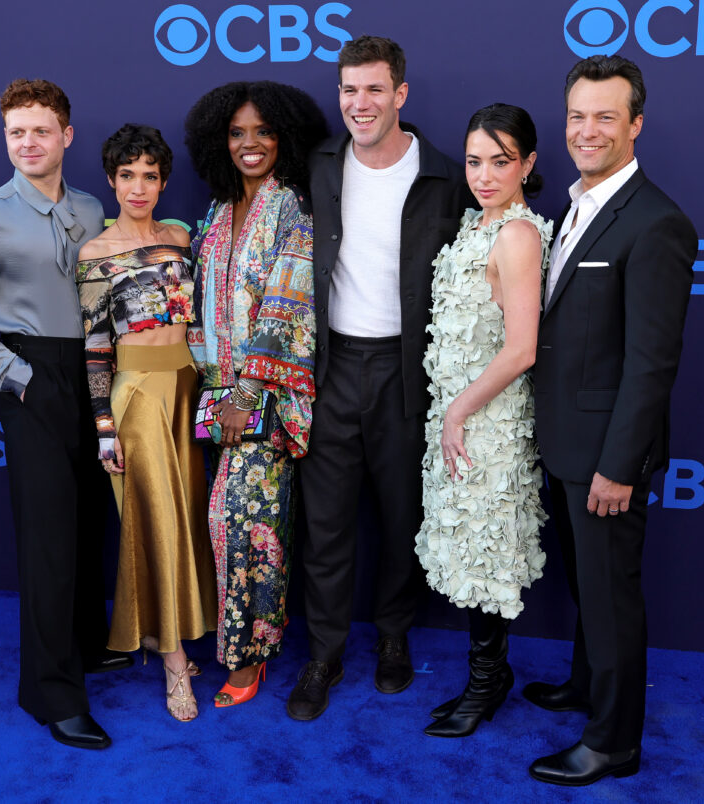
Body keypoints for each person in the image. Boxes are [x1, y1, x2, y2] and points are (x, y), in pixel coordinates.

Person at [0, 78, 130, 750]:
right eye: (16, 132)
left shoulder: (91, 206)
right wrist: (16, 376)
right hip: (31, 376)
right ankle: (50, 692)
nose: (28, 143)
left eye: (40, 130)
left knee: (85, 521)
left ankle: (81, 648)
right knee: (48, 537)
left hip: (92, 375)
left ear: (66, 136)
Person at [288, 35, 472, 722]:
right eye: (348, 90)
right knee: (326, 525)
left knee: (402, 518)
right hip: (332, 366)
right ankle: (324, 654)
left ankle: (393, 636)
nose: (358, 104)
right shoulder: (318, 166)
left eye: (373, 90)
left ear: (400, 94)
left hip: (406, 371)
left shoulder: (445, 177)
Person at [526, 55, 698, 785]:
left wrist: (618, 465)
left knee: (612, 593)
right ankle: (587, 686)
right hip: (564, 442)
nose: (587, 130)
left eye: (605, 116)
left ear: (636, 124)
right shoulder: (577, 206)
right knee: (587, 585)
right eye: (576, 116)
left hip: (605, 455)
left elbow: (651, 363)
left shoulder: (657, 223)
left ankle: (614, 743)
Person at [184, 81, 327, 707]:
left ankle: (250, 654)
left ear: (285, 139)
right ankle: (250, 633)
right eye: (238, 133)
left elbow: (286, 307)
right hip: (216, 396)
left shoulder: (293, 208)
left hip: (265, 396)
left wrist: (245, 392)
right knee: (235, 522)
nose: (250, 144)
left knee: (242, 520)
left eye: (263, 132)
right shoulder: (215, 211)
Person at [417, 104, 551, 739]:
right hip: (460, 416)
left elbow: (522, 348)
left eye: (501, 161)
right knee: (469, 546)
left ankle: (486, 680)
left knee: (486, 550)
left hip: (488, 423)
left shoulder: (518, 236)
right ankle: (487, 675)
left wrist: (459, 412)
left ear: (527, 163)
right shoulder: (477, 225)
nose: (485, 174)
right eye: (474, 161)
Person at [74, 124, 216, 722]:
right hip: (138, 397)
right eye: (127, 175)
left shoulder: (182, 237)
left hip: (190, 388)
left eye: (150, 175)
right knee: (154, 524)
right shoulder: (94, 253)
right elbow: (95, 347)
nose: (139, 186)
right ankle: (173, 662)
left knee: (190, 519)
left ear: (163, 180)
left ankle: (181, 632)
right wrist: (105, 425)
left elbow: (204, 321)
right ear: (110, 180)